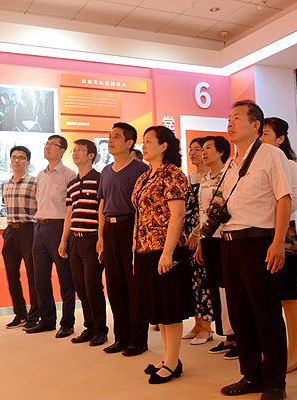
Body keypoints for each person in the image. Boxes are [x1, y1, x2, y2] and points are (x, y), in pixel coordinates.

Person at [218, 100, 292, 400]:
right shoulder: (231, 163)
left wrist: (278, 242)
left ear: (255, 125)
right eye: (229, 118)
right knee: (240, 314)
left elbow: (284, 199)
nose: (230, 123)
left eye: (237, 118)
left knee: (266, 314)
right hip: (229, 242)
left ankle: (275, 383)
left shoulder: (271, 155)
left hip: (259, 241)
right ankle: (251, 376)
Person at [132, 126, 192, 384]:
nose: (143, 146)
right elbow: (139, 216)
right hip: (145, 249)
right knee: (158, 307)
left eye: (148, 141)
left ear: (163, 146)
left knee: (169, 307)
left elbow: (177, 216)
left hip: (167, 249)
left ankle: (172, 362)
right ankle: (170, 358)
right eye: (143, 141)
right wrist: (135, 251)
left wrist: (168, 254)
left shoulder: (173, 174)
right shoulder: (145, 177)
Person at [96, 123, 150, 356]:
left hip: (132, 228)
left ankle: (138, 340)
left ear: (129, 143)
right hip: (110, 229)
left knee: (134, 286)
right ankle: (121, 338)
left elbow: (145, 207)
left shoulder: (141, 169)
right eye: (110, 136)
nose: (110, 140)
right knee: (115, 286)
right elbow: (102, 204)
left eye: (116, 137)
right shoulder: (106, 171)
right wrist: (100, 236)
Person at [261, 117, 297, 373]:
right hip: (257, 234)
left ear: (280, 139)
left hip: (284, 233)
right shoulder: (252, 164)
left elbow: (293, 203)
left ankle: (294, 353)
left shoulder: (288, 165)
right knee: (265, 297)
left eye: (266, 134)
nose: (261, 139)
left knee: (288, 296)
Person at [58, 139, 108, 347]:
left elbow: (102, 210)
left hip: (92, 240)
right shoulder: (72, 183)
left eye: (80, 150)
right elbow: (69, 213)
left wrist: (101, 238)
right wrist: (63, 240)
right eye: (74, 150)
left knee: (92, 286)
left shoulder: (100, 179)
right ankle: (90, 327)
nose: (75, 153)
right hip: (74, 240)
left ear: (91, 155)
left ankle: (101, 329)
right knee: (80, 286)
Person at [26, 135, 77, 338]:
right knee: (40, 278)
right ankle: (47, 320)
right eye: (46, 144)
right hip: (39, 228)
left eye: (52, 145)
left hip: (59, 228)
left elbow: (73, 208)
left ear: (62, 151)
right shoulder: (40, 175)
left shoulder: (68, 175)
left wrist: (66, 235)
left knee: (65, 278)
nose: (47, 147)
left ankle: (67, 322)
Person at [194, 135, 237, 360]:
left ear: (221, 151)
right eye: (202, 148)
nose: (203, 152)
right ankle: (227, 335)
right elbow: (203, 213)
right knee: (216, 287)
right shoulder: (205, 179)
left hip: (224, 238)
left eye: (208, 148)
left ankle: (238, 336)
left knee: (229, 287)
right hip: (208, 239)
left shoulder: (228, 175)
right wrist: (201, 240)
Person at [1, 146, 40, 330]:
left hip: (29, 231)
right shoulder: (5, 184)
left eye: (21, 158)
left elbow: (41, 207)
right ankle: (20, 314)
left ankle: (35, 315)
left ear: (28, 162)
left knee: (33, 276)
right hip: (11, 232)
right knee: (12, 275)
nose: (16, 161)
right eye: (14, 157)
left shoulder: (34, 182)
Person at [182, 137, 214, 345]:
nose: (193, 153)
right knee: (191, 279)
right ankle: (196, 323)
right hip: (186, 234)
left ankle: (207, 327)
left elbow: (208, 211)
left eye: (197, 149)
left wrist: (196, 233)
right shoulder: (187, 178)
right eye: (190, 150)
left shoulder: (211, 178)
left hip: (203, 233)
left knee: (204, 279)